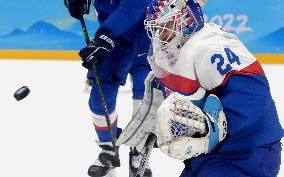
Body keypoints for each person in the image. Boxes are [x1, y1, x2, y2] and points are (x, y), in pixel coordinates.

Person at [117, 0, 283, 176]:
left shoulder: (212, 47)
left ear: (185, 19)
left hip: (247, 153)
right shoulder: (181, 49)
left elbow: (254, 99)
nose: (160, 35)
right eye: (157, 28)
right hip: (212, 156)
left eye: (166, 26)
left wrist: (211, 130)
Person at [63, 0, 153, 177]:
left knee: (143, 95)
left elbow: (131, 8)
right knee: (98, 100)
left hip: (147, 31)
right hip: (115, 33)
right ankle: (109, 149)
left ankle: (140, 151)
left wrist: (105, 36)